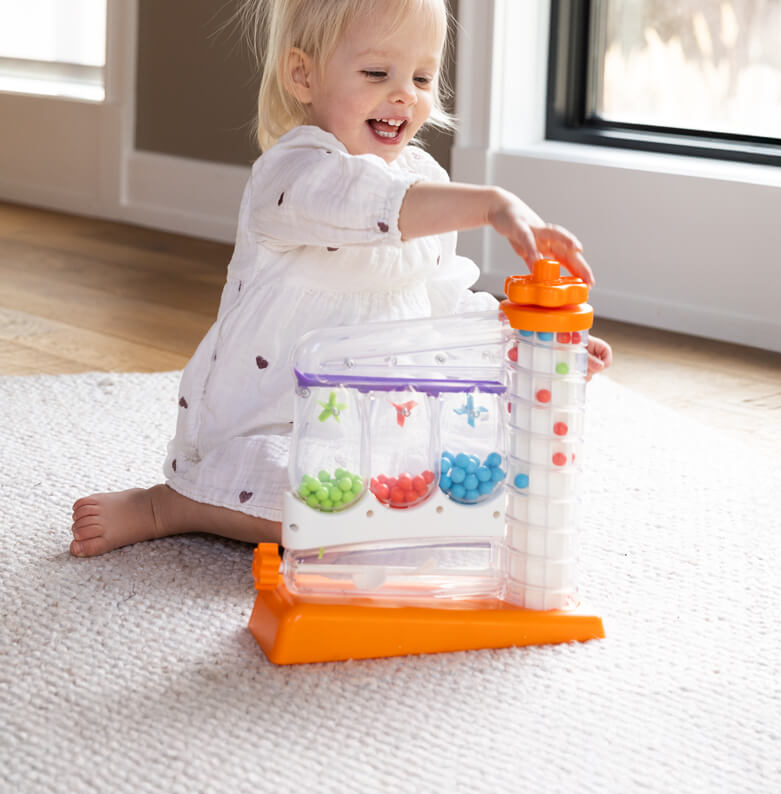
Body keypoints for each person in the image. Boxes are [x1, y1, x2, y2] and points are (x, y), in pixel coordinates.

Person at [71, 0, 612, 557]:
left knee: (446, 483)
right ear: (303, 75)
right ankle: (172, 503)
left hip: (375, 416)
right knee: (304, 500)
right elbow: (360, 201)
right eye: (377, 73)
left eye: (422, 77)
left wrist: (530, 342)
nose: (405, 94)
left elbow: (443, 300)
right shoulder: (293, 172)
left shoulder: (425, 178)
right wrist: (491, 203)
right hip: (278, 416)